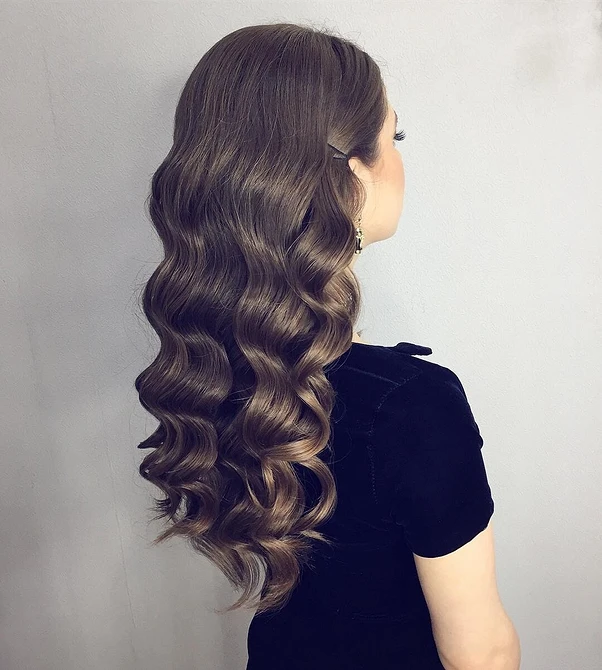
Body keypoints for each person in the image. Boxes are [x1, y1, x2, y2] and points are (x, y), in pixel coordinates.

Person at [134, 21, 521, 670]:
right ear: (351, 176)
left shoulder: (209, 362)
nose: (400, 159)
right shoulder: (411, 407)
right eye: (394, 137)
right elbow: (480, 652)